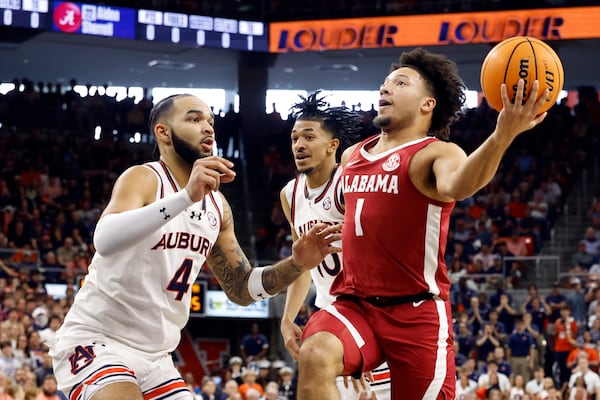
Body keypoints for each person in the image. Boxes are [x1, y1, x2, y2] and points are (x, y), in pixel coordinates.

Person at [47, 94, 342, 400]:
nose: (208, 128)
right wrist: (186, 196)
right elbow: (104, 240)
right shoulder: (144, 178)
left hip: (157, 359)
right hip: (98, 341)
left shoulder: (217, 206)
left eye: (211, 122)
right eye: (194, 119)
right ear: (163, 132)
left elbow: (241, 287)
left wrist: (296, 264)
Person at [295, 47, 549, 400]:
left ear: (427, 104)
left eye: (400, 83)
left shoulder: (436, 153)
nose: (385, 89)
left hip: (416, 314)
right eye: (384, 83)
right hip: (355, 303)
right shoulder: (352, 156)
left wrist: (502, 134)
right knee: (316, 353)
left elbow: (459, 184)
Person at [279, 91, 390, 400]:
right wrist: (287, 318)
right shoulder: (290, 194)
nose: (299, 145)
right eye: (294, 138)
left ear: (333, 146)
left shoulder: (350, 183)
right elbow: (302, 262)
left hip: (373, 315)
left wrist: (361, 340)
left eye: (309, 137)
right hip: (333, 318)